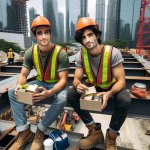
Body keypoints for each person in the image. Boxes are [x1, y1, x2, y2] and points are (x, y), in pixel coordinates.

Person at [67, 17, 131, 150]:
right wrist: (77, 84)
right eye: (83, 37)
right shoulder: (81, 55)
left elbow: (122, 81)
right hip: (95, 86)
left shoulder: (113, 53)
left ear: (97, 35)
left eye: (90, 35)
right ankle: (94, 131)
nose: (88, 40)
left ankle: (111, 136)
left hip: (112, 87)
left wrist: (109, 93)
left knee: (125, 100)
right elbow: (76, 78)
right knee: (71, 94)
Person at [8, 16, 69, 150]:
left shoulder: (61, 53)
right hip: (40, 83)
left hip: (56, 84)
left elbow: (64, 80)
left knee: (62, 98)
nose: (43, 36)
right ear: (35, 36)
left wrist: (50, 93)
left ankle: (40, 131)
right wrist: (20, 85)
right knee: (12, 92)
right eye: (39, 33)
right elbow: (24, 74)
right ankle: (24, 132)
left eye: (46, 32)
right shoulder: (31, 52)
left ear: (50, 34)